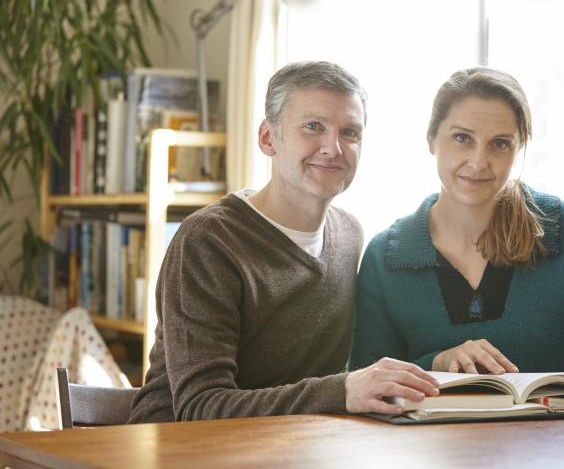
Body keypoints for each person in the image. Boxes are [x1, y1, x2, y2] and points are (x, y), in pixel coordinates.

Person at [129, 61, 438, 423]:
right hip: (182, 451)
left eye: (350, 133)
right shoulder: (209, 241)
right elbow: (200, 407)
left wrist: (436, 363)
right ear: (267, 138)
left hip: (292, 446)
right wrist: (341, 392)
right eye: (312, 127)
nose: (333, 148)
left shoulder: (350, 235)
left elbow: (349, 374)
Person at [350, 67, 564, 393]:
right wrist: (437, 363)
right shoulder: (384, 257)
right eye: (462, 138)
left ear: (519, 147)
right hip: (430, 443)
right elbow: (368, 382)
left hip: (553, 440)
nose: (479, 162)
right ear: (431, 141)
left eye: (500, 144)